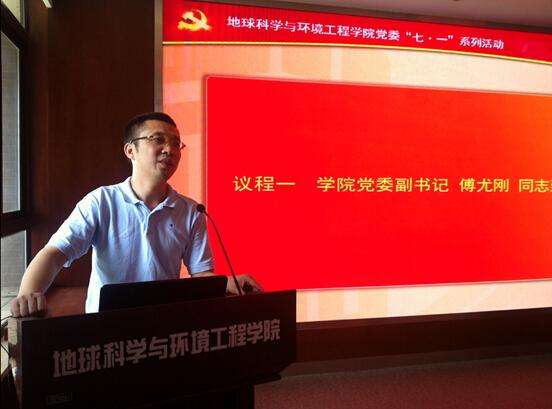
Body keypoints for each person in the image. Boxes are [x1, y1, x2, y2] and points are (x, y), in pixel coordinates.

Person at [10, 112, 262, 317]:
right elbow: (55, 253)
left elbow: (201, 274)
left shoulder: (191, 211)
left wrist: (228, 282)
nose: (169, 150)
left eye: (176, 143)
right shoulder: (101, 202)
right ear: (130, 150)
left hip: (164, 322)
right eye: (158, 139)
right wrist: (28, 294)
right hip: (105, 326)